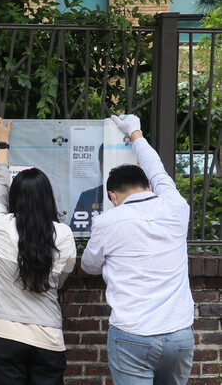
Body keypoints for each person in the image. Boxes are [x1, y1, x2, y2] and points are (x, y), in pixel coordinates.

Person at [81, 114, 195, 385]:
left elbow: (89, 265)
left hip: (132, 335)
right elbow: (157, 168)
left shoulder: (107, 221)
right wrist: (135, 132)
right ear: (150, 186)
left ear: (112, 196)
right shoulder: (176, 207)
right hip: (179, 335)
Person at [0, 116, 77, 385]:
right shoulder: (65, 234)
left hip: (3, 334)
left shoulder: (0, 226)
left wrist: (2, 143)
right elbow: (60, 279)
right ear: (48, 197)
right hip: (48, 337)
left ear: (16, 198)